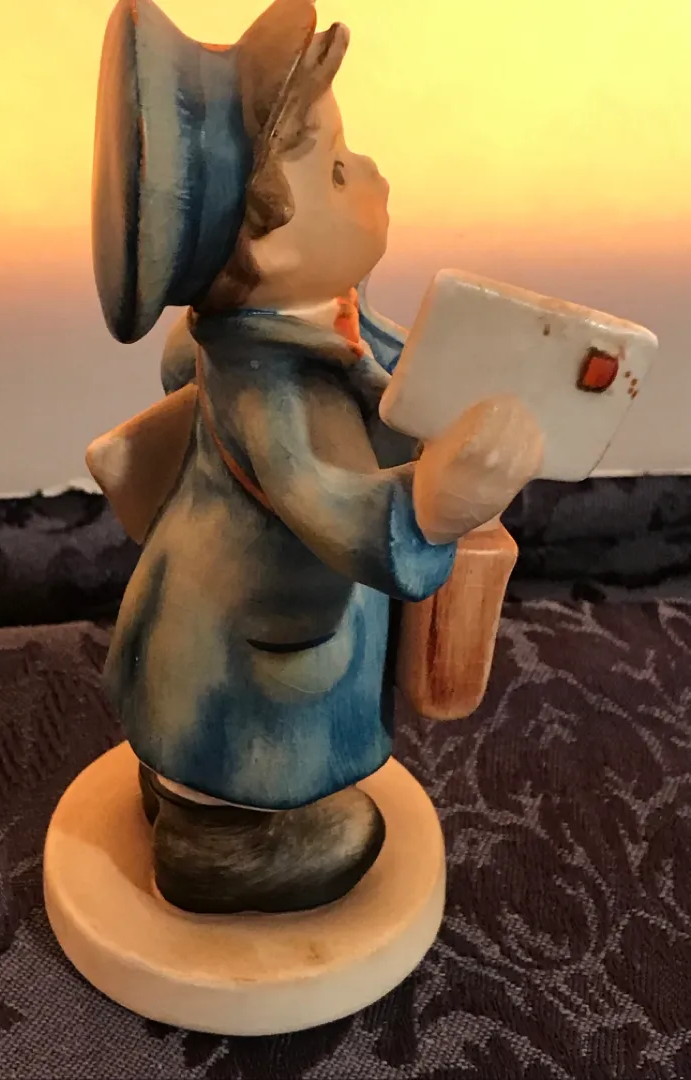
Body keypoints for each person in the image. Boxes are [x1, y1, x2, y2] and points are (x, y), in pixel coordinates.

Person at [91, 0, 542, 914]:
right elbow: (332, 507)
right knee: (248, 736)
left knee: (203, 727)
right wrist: (439, 501)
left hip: (214, 605)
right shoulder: (276, 391)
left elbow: (223, 366)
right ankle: (224, 845)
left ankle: (187, 790)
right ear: (264, 252)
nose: (370, 171)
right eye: (337, 170)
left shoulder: (277, 330)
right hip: (255, 630)